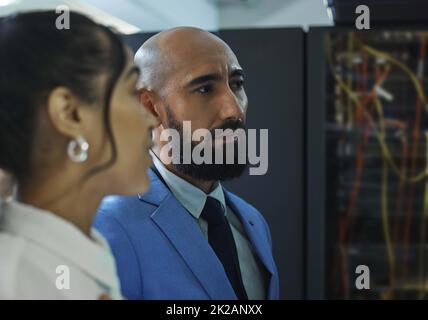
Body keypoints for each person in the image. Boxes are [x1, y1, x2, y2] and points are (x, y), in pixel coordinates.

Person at [94, 27, 279, 300]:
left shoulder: (252, 221)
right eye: (204, 88)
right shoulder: (110, 227)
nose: (234, 110)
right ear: (149, 107)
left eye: (237, 84)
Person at [0, 11, 156, 299]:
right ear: (69, 113)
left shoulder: (83, 249)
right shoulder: (18, 281)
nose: (152, 120)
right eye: (132, 93)